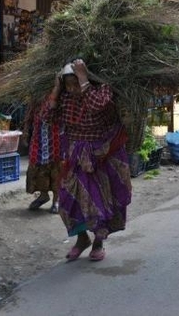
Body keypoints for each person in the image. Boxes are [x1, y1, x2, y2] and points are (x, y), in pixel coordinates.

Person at [57, 58, 132, 261]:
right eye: (68, 85)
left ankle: (98, 242)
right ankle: (82, 239)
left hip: (103, 154)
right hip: (76, 155)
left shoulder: (103, 90)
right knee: (66, 200)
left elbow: (95, 105)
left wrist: (83, 78)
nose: (73, 89)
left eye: (75, 84)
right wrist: (57, 89)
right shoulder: (65, 98)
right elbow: (48, 115)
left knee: (100, 202)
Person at [24, 74, 62, 214]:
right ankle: (44, 195)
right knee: (38, 165)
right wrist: (26, 131)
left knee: (57, 168)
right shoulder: (38, 94)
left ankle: (57, 199)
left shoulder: (61, 93)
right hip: (38, 137)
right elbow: (30, 112)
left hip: (56, 137)